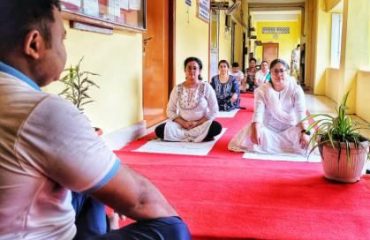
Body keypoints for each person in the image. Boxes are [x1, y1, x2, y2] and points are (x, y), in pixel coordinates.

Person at [0, 1, 190, 240]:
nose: (63, 49)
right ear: (34, 44)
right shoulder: (40, 111)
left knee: (87, 184)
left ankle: (99, 230)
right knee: (172, 230)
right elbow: (140, 198)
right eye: (62, 39)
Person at [228, 59, 310, 155]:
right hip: (269, 128)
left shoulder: (295, 89)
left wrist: (304, 132)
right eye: (275, 71)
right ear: (270, 73)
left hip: (290, 128)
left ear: (287, 72)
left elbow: (300, 112)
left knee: (305, 138)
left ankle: (277, 145)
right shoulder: (262, 90)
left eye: (282, 71)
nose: (279, 74)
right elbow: (258, 111)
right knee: (252, 132)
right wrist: (256, 128)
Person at [155, 57, 222, 142]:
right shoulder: (177, 88)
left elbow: (214, 110)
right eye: (189, 68)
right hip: (181, 125)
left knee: (217, 127)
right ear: (185, 70)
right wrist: (183, 123)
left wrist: (197, 123)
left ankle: (185, 136)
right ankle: (198, 136)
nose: (191, 71)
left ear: (199, 71)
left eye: (195, 68)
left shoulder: (206, 87)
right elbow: (170, 110)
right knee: (159, 130)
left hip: (201, 124)